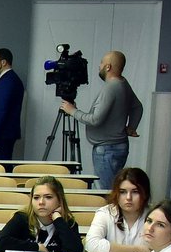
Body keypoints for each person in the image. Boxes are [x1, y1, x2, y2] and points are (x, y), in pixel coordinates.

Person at [61, 50, 144, 189]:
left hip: (107, 150)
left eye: (101, 63)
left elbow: (95, 119)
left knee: (105, 193)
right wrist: (131, 127)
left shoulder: (110, 88)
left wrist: (72, 111)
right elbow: (138, 107)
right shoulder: (123, 83)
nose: (99, 66)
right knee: (114, 189)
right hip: (119, 145)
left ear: (108, 67)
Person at [0, 176, 84, 252]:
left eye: (48, 197)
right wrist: (37, 247)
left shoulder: (67, 222)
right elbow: (0, 243)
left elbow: (75, 250)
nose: (41, 202)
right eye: (36, 198)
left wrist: (58, 220)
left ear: (60, 200)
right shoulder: (22, 218)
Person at [85, 166, 151, 252]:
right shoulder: (105, 213)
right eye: (122, 192)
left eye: (135, 192)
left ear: (145, 193)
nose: (128, 198)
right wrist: (138, 249)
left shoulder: (154, 216)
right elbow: (91, 244)